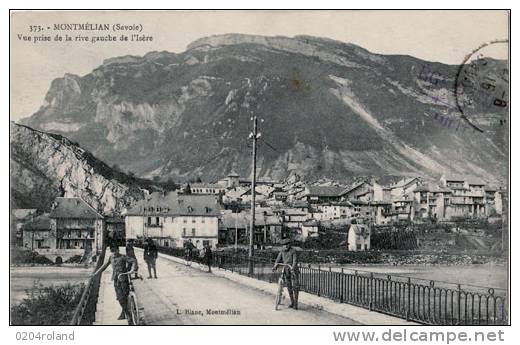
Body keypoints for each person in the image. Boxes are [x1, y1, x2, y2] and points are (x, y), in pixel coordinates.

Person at [92, 245, 137, 323]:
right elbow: (104, 266)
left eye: (115, 251)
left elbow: (133, 261)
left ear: (118, 250)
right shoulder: (111, 257)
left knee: (124, 296)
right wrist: (95, 273)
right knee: (119, 297)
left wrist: (132, 269)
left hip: (123, 277)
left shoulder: (123, 257)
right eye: (112, 252)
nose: (114, 253)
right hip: (116, 279)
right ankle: (126, 312)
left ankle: (127, 314)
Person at [272, 238, 299, 309]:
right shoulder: (282, 251)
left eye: (287, 244)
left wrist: (293, 268)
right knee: (289, 286)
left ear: (290, 244)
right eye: (284, 245)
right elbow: (277, 260)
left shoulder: (293, 251)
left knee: (295, 287)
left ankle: (296, 304)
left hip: (293, 270)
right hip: (286, 270)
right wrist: (275, 266)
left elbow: (295, 261)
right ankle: (292, 302)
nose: (286, 246)